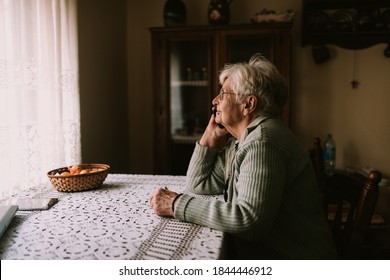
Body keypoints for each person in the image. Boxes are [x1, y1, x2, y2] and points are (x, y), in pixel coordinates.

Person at [150, 54, 338, 259]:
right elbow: (199, 185)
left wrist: (176, 204)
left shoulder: (262, 143)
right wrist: (209, 136)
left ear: (248, 104)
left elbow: (249, 221)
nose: (215, 101)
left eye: (223, 94)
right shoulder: (245, 140)